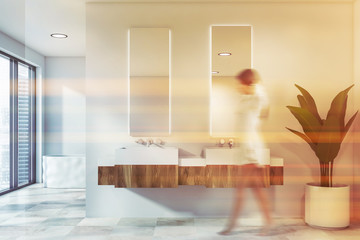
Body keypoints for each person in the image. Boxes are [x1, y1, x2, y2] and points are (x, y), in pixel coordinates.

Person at [219, 69, 272, 236]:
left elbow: (251, 127)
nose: (237, 87)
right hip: (245, 150)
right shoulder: (246, 99)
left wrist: (256, 84)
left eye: (239, 83)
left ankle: (232, 224)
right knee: (256, 189)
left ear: (247, 83)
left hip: (250, 151)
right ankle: (268, 221)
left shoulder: (256, 99)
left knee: (240, 189)